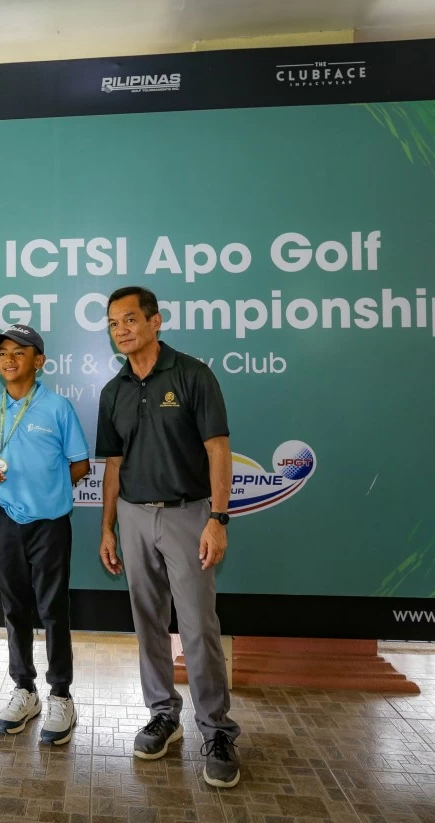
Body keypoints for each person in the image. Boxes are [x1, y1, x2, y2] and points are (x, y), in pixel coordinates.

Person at [96, 285, 242, 788]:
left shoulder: (192, 375)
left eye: (131, 319)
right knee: (148, 623)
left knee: (199, 625)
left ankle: (217, 730)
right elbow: (113, 465)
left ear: (156, 321)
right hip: (134, 517)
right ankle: (163, 714)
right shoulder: (112, 391)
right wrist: (108, 528)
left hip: (189, 514)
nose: (122, 330)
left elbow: (218, 449)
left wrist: (217, 518)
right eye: (114, 323)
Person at [0, 324, 90, 746]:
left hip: (50, 523)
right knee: (14, 608)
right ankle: (24, 688)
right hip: (5, 521)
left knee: (54, 608)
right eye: (2, 352)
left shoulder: (58, 407)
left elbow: (80, 464)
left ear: (38, 361)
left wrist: (49, 489)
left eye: (19, 352)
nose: (8, 359)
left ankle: (61, 694)